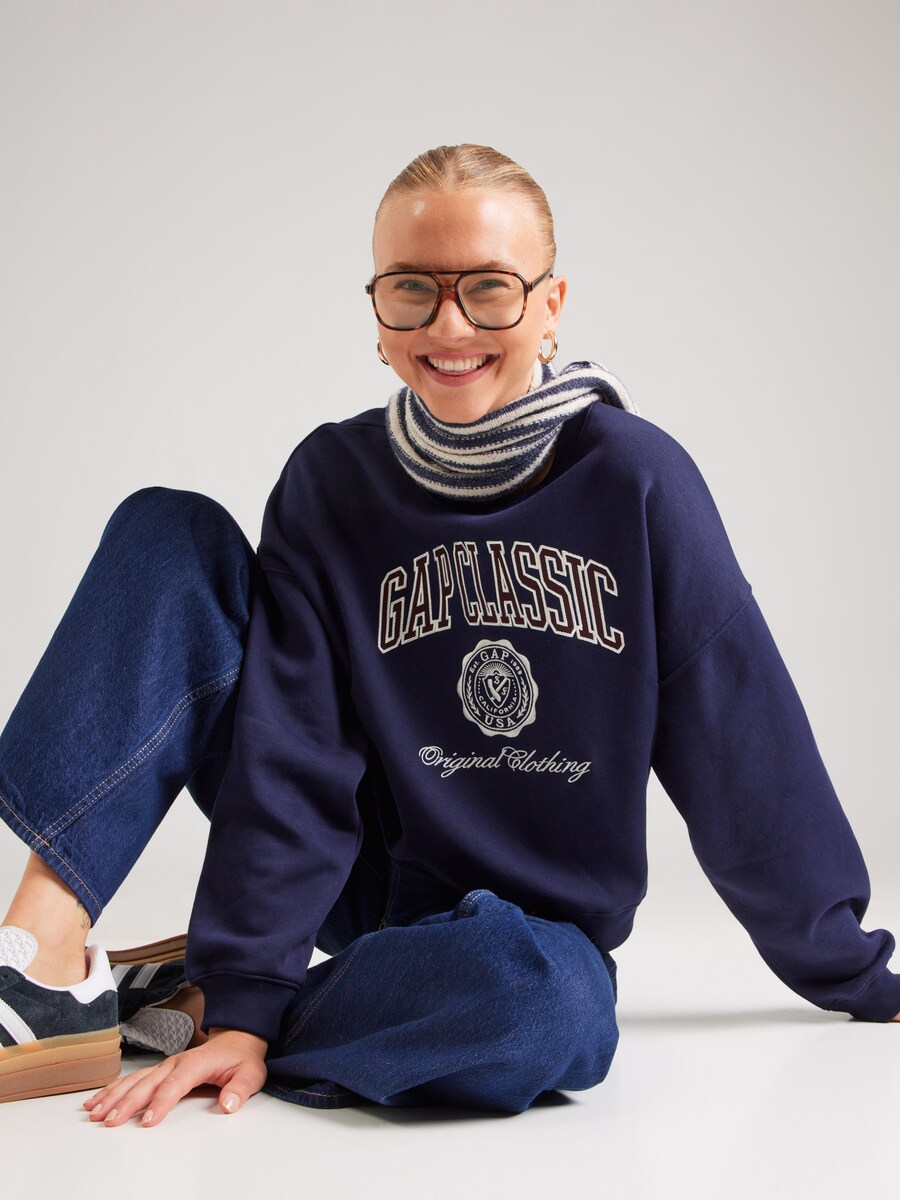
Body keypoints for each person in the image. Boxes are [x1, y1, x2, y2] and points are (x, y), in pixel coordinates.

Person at [1, 144, 897, 1125]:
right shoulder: (331, 481)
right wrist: (255, 974)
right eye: (412, 290)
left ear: (551, 307)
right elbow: (295, 752)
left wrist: (854, 971)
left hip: (530, 938)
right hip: (358, 872)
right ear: (377, 310)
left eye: (489, 289)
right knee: (169, 534)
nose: (449, 324)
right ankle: (46, 962)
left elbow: (743, 741)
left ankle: (221, 1005)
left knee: (538, 1002)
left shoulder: (638, 483)